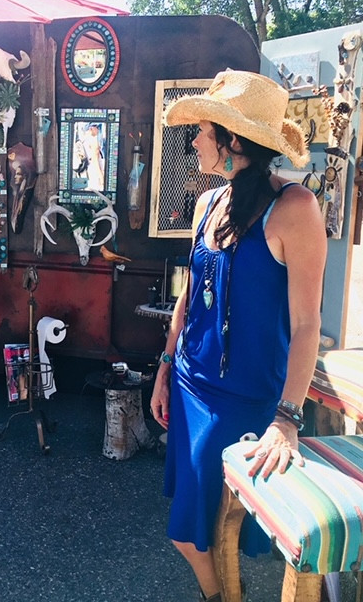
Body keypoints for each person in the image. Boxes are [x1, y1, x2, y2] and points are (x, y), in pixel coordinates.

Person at [149, 70, 327, 602]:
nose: (194, 142)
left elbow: (307, 324)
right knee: (193, 526)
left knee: (193, 530)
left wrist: (287, 418)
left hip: (245, 398)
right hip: (189, 384)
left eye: (203, 131)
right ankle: (226, 595)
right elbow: (188, 294)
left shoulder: (294, 209)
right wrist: (164, 367)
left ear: (234, 141)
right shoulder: (208, 203)